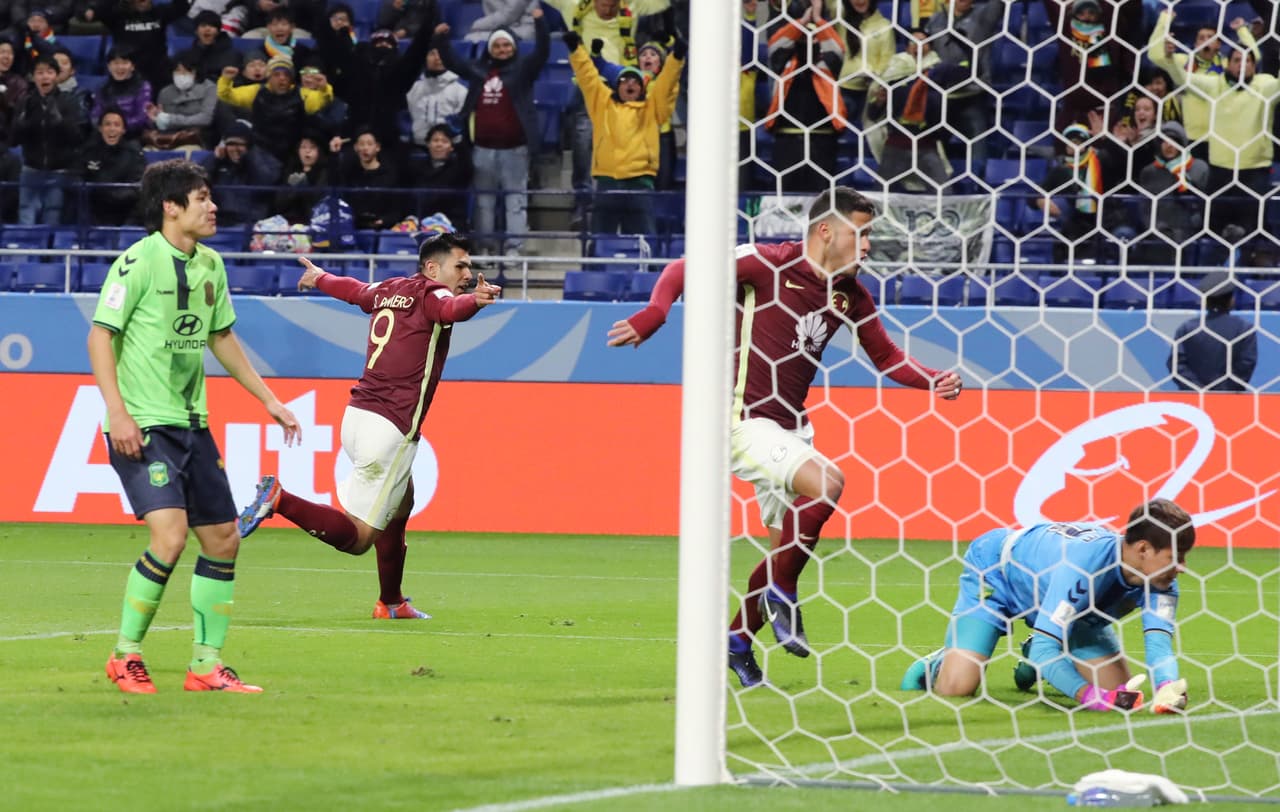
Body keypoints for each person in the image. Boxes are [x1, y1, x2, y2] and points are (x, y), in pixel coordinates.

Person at [607, 187, 964, 687]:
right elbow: (683, 270)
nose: (867, 245)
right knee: (829, 483)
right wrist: (656, 314)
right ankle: (783, 596)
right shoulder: (765, 263)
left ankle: (737, 639)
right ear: (825, 230)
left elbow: (885, 357)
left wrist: (932, 379)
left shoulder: (850, 294)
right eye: (860, 233)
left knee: (785, 551)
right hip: (739, 418)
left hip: (790, 425)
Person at [89, 158, 302, 694]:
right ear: (171, 206)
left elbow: (221, 338)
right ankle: (125, 654)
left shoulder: (211, 266)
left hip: (192, 425)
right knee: (171, 535)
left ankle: (206, 666)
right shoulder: (136, 263)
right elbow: (100, 337)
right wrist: (118, 413)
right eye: (202, 198)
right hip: (143, 425)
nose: (213, 207)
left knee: (224, 538)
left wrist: (269, 400)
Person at [236, 234, 502, 620]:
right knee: (360, 538)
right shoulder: (434, 294)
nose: (467, 272)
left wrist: (320, 277)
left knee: (402, 503)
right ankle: (280, 499)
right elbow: (452, 309)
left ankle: (391, 602)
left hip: (358, 416)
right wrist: (475, 302)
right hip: (391, 428)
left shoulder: (391, 288)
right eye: (459, 266)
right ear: (432, 268)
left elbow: (355, 291)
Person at [900, 499, 1195, 715]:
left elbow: (1159, 646)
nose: (1181, 567)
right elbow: (1052, 656)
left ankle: (1043, 643)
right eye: (1175, 556)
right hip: (998, 574)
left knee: (1119, 698)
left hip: (1072, 614)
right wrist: (1087, 696)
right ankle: (939, 662)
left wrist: (1166, 689)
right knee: (957, 688)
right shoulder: (1083, 569)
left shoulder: (1162, 579)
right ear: (1143, 549)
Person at [434, 10, 548, 254]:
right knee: (484, 203)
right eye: (497, 45)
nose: (502, 49)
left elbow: (542, 53)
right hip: (482, 150)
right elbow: (453, 62)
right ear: (490, 48)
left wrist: (540, 23)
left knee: (515, 203)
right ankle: (485, 248)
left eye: (507, 44)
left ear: (515, 47)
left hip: (515, 150)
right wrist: (440, 41)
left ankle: (513, 250)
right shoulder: (478, 71)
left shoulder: (523, 71)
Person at [565, 28, 684, 235]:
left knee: (644, 242)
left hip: (640, 184)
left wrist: (676, 57)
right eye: (624, 81)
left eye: (635, 82)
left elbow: (667, 83)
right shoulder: (602, 105)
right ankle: (595, 269)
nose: (630, 84)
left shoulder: (652, 108)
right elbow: (588, 77)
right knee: (600, 241)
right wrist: (576, 50)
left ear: (642, 88)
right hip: (606, 182)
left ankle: (647, 269)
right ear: (616, 87)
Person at [1167, 271, 1257, 391]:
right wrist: (1222, 390)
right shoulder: (1244, 329)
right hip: (1229, 399)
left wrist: (1198, 389)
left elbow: (1176, 365)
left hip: (1194, 399)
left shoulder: (1187, 328)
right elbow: (1246, 364)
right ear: (1231, 300)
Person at [80, 106, 146, 225]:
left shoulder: (134, 153)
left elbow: (137, 186)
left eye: (116, 125)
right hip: (96, 214)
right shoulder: (89, 151)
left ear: (123, 130)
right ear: (100, 128)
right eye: (107, 124)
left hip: (127, 213)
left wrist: (110, 195)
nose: (112, 129)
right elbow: (80, 181)